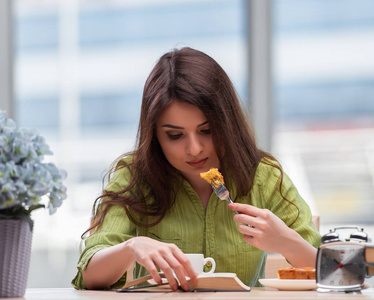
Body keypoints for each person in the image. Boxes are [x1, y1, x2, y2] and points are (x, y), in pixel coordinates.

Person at [72, 47, 320, 291]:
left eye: (207, 131)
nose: (194, 149)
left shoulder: (263, 176)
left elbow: (336, 272)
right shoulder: (135, 176)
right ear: (155, 135)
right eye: (175, 135)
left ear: (227, 122)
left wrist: (288, 244)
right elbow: (90, 276)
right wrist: (131, 247)